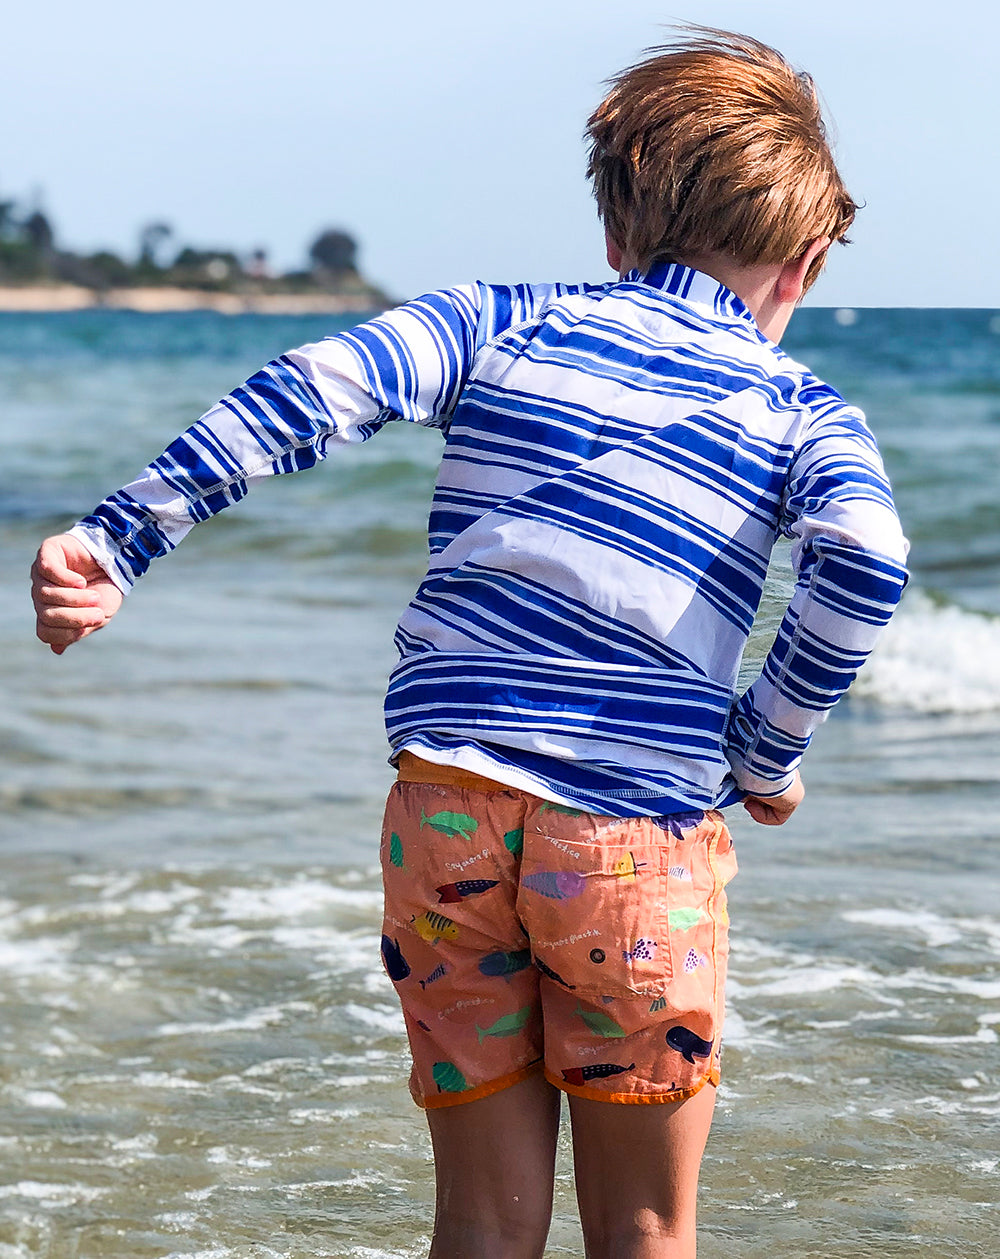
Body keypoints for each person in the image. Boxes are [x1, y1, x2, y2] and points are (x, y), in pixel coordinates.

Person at [31, 26, 908, 1259]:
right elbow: (865, 561)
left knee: (483, 1228)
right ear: (805, 265)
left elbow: (308, 389)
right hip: (629, 842)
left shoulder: (497, 320)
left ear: (613, 230)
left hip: (446, 815)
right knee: (646, 1226)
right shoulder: (797, 405)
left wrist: (115, 541)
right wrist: (762, 748)